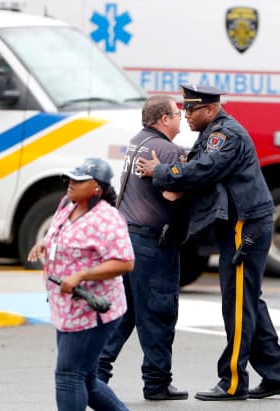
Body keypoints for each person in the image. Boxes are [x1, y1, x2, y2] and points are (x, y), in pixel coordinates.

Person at [135, 84, 280, 401]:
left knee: (237, 303)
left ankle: (233, 382)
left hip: (243, 226)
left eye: (191, 110)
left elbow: (203, 169)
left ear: (210, 109)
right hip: (240, 222)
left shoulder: (226, 135)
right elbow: (196, 161)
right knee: (247, 300)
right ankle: (276, 374)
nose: (186, 116)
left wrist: (160, 171)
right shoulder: (212, 132)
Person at [97, 95, 189, 401]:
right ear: (163, 119)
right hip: (152, 243)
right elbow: (174, 195)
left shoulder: (137, 140)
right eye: (177, 113)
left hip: (128, 239)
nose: (181, 117)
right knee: (159, 312)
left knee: (126, 313)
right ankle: (157, 383)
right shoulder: (167, 149)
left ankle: (96, 373)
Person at [27, 158, 134, 411]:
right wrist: (44, 242)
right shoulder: (67, 205)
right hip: (66, 308)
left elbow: (125, 262)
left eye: (78, 180)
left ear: (96, 187)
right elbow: (57, 230)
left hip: (92, 310)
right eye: (71, 179)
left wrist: (81, 275)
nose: (70, 184)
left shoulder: (107, 218)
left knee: (68, 376)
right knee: (86, 380)